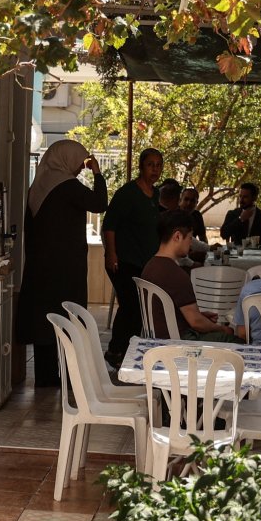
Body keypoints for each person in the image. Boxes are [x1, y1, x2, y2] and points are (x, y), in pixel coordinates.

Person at [14, 139, 108, 387]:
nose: (80, 168)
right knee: (68, 320)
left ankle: (45, 378)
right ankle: (70, 377)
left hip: (40, 267)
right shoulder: (67, 186)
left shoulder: (38, 185)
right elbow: (100, 203)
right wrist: (97, 173)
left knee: (44, 321)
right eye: (79, 162)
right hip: (64, 268)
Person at [102, 148, 164, 364]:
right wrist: (111, 253)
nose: (155, 169)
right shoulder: (127, 193)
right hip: (124, 260)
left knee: (140, 308)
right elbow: (109, 226)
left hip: (145, 263)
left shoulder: (155, 195)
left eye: (158, 165)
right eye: (150, 164)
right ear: (141, 166)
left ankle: (128, 350)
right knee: (131, 306)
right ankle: (116, 351)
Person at [140, 211, 237, 342]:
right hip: (180, 341)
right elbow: (196, 322)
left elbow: (166, 312)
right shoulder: (175, 273)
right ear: (178, 236)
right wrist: (221, 329)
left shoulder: (150, 266)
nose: (190, 243)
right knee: (235, 338)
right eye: (190, 238)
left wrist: (200, 316)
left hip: (158, 337)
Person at [219, 182, 261, 246]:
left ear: (254, 198)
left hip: (257, 254)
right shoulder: (232, 214)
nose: (241, 200)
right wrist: (240, 219)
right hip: (237, 254)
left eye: (245, 197)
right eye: (240, 196)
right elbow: (223, 234)